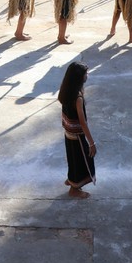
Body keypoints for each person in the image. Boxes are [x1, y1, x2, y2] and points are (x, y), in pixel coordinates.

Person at [58, 61, 96, 199]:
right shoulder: (78, 97)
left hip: (68, 133)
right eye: (86, 73)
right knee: (82, 161)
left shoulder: (65, 89)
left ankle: (71, 179)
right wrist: (91, 143)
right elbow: (83, 122)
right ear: (79, 77)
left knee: (72, 158)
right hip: (78, 136)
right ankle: (75, 188)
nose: (88, 75)